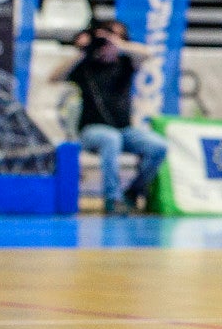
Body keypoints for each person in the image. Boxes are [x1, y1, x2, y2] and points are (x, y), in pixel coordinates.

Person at [50, 19, 166, 214]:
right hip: (91, 131)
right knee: (111, 139)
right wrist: (83, 52)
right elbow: (54, 78)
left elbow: (148, 53)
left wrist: (118, 44)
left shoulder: (125, 64)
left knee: (158, 146)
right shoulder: (85, 68)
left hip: (124, 130)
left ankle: (133, 191)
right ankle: (112, 198)